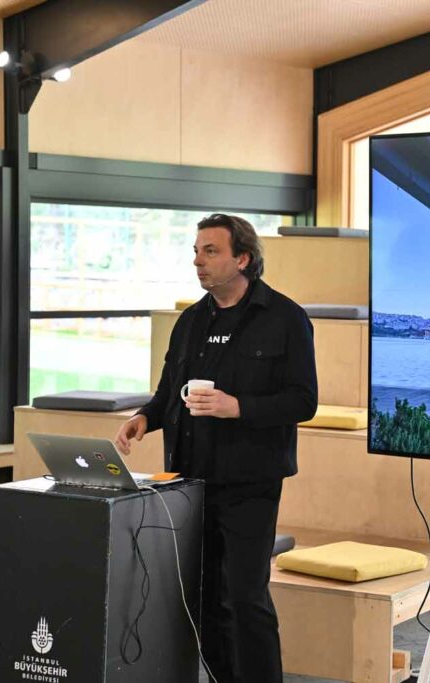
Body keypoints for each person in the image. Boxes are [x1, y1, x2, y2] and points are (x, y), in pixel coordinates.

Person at [113, 213, 317, 683]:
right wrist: (145, 418)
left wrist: (237, 407)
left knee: (244, 599)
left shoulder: (285, 318)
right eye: (196, 251)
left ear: (242, 258)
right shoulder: (190, 321)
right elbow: (169, 393)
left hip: (250, 483)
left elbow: (303, 401)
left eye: (210, 251)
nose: (198, 261)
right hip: (188, 484)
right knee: (200, 601)